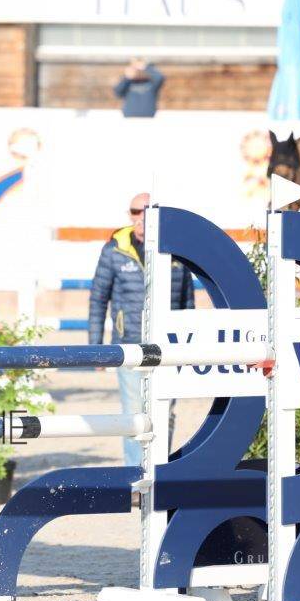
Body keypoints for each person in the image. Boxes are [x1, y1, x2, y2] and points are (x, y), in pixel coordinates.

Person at [88, 192, 195, 470]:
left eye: (146, 210)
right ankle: (137, 476)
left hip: (169, 350)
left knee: (165, 413)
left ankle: (159, 473)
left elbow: (187, 303)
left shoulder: (177, 252)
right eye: (135, 211)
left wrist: (189, 348)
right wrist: (95, 347)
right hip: (130, 346)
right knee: (135, 415)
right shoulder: (113, 250)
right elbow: (98, 298)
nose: (140, 217)